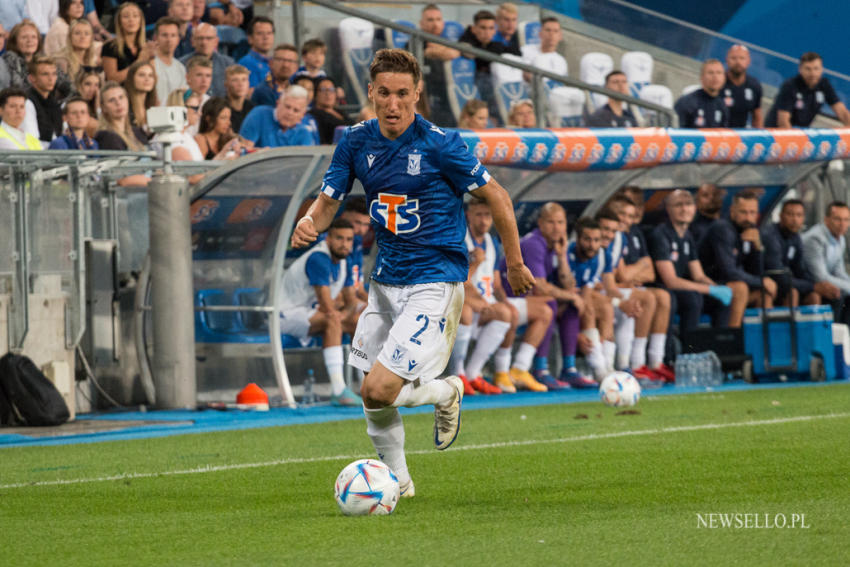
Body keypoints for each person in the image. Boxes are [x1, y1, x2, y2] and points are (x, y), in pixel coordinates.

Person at [291, 49, 535, 497]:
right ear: (371, 92)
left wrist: (514, 262)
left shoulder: (441, 144)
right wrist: (309, 221)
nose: (393, 104)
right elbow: (328, 201)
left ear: (417, 94)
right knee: (370, 395)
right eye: (384, 93)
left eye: (403, 94)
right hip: (385, 284)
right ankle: (400, 484)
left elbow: (497, 196)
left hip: (435, 281)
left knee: (382, 388)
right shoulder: (355, 141)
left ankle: (445, 393)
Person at [501, 202, 588, 389]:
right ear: (540, 223)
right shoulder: (534, 243)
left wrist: (563, 256)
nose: (556, 227)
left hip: (527, 301)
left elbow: (569, 285)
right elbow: (539, 287)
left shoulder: (556, 246)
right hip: (509, 298)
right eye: (551, 222)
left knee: (569, 305)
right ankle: (539, 369)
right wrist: (570, 296)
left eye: (560, 222)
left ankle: (569, 368)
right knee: (550, 304)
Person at [280, 218, 363, 407]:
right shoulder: (319, 258)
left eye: (349, 240)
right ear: (328, 239)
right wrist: (339, 316)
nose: (344, 244)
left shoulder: (345, 261)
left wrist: (343, 316)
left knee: (358, 322)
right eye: (339, 238)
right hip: (285, 314)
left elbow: (351, 302)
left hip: (309, 314)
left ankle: (367, 384)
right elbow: (327, 306)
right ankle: (338, 389)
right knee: (333, 319)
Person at [602, 195, 674, 382]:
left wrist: (629, 276)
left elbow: (649, 274)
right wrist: (639, 267)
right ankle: (631, 363)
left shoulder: (621, 238)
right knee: (644, 299)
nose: (626, 220)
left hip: (611, 288)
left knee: (662, 297)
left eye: (630, 216)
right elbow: (621, 276)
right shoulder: (602, 236)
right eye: (622, 215)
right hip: (597, 291)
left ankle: (652, 361)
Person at [448, 197, 514, 395]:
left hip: (483, 301)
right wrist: (475, 262)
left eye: (487, 215)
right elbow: (457, 281)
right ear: (469, 216)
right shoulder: (460, 239)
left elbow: (496, 282)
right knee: (466, 312)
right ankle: (457, 373)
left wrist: (504, 300)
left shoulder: (492, 242)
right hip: (457, 300)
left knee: (506, 313)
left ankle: (473, 373)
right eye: (479, 215)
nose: (483, 220)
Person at [649, 190, 735, 335]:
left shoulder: (687, 236)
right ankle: (689, 351)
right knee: (692, 299)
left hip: (681, 289)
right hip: (663, 289)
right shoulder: (661, 235)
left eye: (688, 204)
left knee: (720, 302)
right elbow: (671, 281)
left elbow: (699, 276)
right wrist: (709, 290)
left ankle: (719, 349)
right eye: (678, 205)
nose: (684, 209)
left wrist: (715, 288)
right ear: (668, 209)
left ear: (695, 208)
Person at [699, 190, 775, 324]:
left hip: (727, 285)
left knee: (765, 293)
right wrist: (761, 281)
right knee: (740, 288)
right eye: (743, 212)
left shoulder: (749, 231)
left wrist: (757, 248)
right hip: (707, 288)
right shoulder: (722, 228)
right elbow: (729, 272)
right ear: (732, 210)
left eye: (752, 213)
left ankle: (759, 341)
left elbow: (756, 272)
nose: (748, 217)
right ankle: (733, 340)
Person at [567, 217, 622, 382]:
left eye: (596, 240)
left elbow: (586, 291)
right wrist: (575, 333)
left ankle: (608, 366)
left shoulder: (601, 255)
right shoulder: (566, 255)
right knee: (591, 308)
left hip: (577, 301)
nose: (592, 245)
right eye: (587, 239)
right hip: (559, 302)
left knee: (605, 307)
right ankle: (599, 370)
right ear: (578, 239)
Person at [762, 199, 829, 307]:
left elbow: (800, 270)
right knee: (793, 293)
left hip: (787, 283)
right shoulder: (771, 236)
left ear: (803, 218)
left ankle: (811, 324)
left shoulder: (796, 237)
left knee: (814, 295)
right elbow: (778, 275)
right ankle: (787, 324)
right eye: (790, 214)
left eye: (799, 215)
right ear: (780, 216)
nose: (795, 219)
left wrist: (816, 285)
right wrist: (812, 286)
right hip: (771, 283)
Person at [765, 52, 850, 128]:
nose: (812, 73)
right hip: (777, 134)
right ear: (800, 69)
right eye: (808, 69)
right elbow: (783, 121)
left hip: (802, 133)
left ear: (821, 70)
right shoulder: (790, 86)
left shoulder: (824, 85)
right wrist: (794, 142)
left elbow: (842, 112)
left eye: (816, 68)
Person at [459, 10, 520, 112]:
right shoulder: (467, 41)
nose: (487, 32)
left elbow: (517, 54)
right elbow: (467, 51)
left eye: (491, 28)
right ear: (474, 29)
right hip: (473, 86)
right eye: (483, 28)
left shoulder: (495, 45)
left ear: (494, 31)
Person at [802, 201, 850, 325]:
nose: (842, 224)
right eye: (837, 219)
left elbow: (839, 272)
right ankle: (832, 337)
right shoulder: (815, 238)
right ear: (826, 219)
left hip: (825, 284)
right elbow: (821, 277)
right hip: (807, 284)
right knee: (837, 295)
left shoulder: (840, 239)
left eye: (846, 220)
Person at [416, 4, 460, 127]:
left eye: (438, 19)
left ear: (443, 23)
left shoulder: (449, 41)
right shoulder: (414, 42)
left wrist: (437, 51)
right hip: (428, 96)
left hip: (450, 93)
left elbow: (457, 52)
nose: (435, 24)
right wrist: (446, 51)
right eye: (430, 20)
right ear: (421, 23)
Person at [238, 84, 315, 147]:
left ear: (303, 114)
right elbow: (243, 148)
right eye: (287, 107)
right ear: (278, 104)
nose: (290, 113)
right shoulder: (259, 114)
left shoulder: (304, 132)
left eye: (296, 110)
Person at [178, 22, 235, 98]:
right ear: (192, 42)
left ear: (216, 41)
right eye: (200, 38)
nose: (204, 42)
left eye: (209, 38)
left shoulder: (228, 64)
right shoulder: (181, 64)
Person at [102, 2, 154, 84]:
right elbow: (112, 80)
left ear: (141, 21)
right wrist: (139, 61)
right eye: (126, 16)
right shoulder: (110, 47)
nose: (131, 20)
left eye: (135, 16)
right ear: (119, 21)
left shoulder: (147, 45)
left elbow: (154, 77)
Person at [94, 81, 149, 152]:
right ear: (104, 108)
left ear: (127, 100)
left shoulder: (138, 132)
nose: (118, 103)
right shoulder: (107, 136)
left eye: (121, 97)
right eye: (112, 100)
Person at [674, 59, 729, 128]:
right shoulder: (687, 103)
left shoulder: (722, 105)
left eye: (719, 73)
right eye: (710, 73)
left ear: (724, 78)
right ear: (701, 77)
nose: (715, 76)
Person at [723, 44, 762, 128]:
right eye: (733, 58)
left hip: (740, 136)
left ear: (748, 61)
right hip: (717, 135)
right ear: (727, 60)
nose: (738, 62)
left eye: (742, 58)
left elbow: (757, 117)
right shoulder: (718, 82)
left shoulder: (754, 85)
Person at [26, 56, 63, 143]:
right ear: (32, 78)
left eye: (54, 74)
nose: (51, 79)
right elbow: (32, 138)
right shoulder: (27, 102)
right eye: (45, 74)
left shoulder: (55, 104)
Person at [520, 17, 566, 83]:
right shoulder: (526, 50)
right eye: (548, 30)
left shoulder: (562, 61)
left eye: (555, 31)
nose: (551, 34)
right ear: (540, 33)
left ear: (560, 36)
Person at [152, 17, 186, 106]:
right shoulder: (149, 63)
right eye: (164, 35)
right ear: (155, 38)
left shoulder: (181, 68)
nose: (169, 40)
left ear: (178, 39)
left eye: (173, 35)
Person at [310, 76, 351, 144]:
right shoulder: (314, 115)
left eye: (331, 89)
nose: (328, 94)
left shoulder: (340, 112)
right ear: (315, 94)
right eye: (323, 89)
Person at [237, 16, 275, 88]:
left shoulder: (274, 62)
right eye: (260, 33)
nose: (266, 37)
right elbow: (250, 94)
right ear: (250, 38)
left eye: (269, 33)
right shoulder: (246, 63)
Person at [123, 59, 157, 133]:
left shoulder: (153, 108)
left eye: (150, 75)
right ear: (131, 78)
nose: (147, 79)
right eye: (142, 75)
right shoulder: (123, 107)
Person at [223, 63, 253, 133]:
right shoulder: (220, 108)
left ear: (248, 83)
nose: (240, 84)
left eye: (244, 80)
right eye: (235, 80)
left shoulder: (253, 109)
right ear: (226, 84)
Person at [70, 68, 100, 136]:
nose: (92, 89)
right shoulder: (73, 103)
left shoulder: (94, 103)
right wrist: (98, 108)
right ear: (78, 84)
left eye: (96, 85)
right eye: (88, 84)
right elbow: (101, 128)